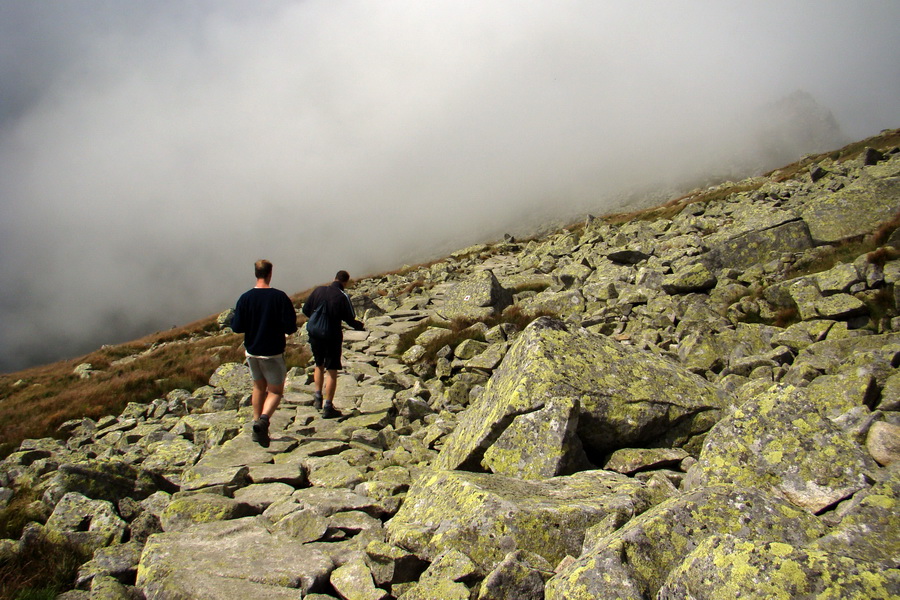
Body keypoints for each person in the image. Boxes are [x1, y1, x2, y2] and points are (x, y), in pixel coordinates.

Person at [231, 259, 298, 446]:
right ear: (270, 274)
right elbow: (291, 326)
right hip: (273, 352)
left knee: (258, 387)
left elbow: (236, 327)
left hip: (252, 351)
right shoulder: (279, 297)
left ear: (256, 273)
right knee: (275, 392)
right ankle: (264, 420)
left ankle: (256, 424)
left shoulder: (245, 298)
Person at [302, 270, 365, 418]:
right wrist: (360, 326)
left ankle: (318, 397)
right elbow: (349, 318)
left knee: (319, 364)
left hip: (315, 333)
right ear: (345, 282)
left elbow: (305, 310)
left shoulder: (318, 290)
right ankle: (328, 407)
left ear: (334, 278)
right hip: (332, 335)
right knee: (331, 369)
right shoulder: (342, 296)